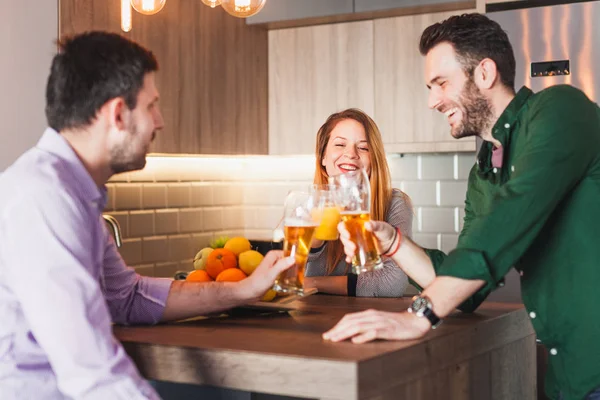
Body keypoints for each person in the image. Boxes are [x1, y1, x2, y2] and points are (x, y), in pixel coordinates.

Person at [0, 31, 294, 400]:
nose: (160, 122)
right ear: (118, 113)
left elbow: (127, 296)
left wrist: (241, 291)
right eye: (152, 105)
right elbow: (91, 373)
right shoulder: (44, 199)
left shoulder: (71, 193)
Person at [322, 13, 600, 400]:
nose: (433, 101)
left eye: (441, 83)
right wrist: (392, 242)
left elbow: (509, 219)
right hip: (569, 380)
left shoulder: (560, 109)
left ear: (484, 72)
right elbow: (467, 288)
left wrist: (419, 315)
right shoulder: (485, 171)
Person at [303, 108, 413, 297]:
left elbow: (391, 284)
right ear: (323, 156)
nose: (351, 153)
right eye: (339, 144)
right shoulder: (307, 206)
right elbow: (289, 276)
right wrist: (314, 241)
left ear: (373, 159)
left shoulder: (395, 203)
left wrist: (314, 283)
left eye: (363, 147)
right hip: (313, 319)